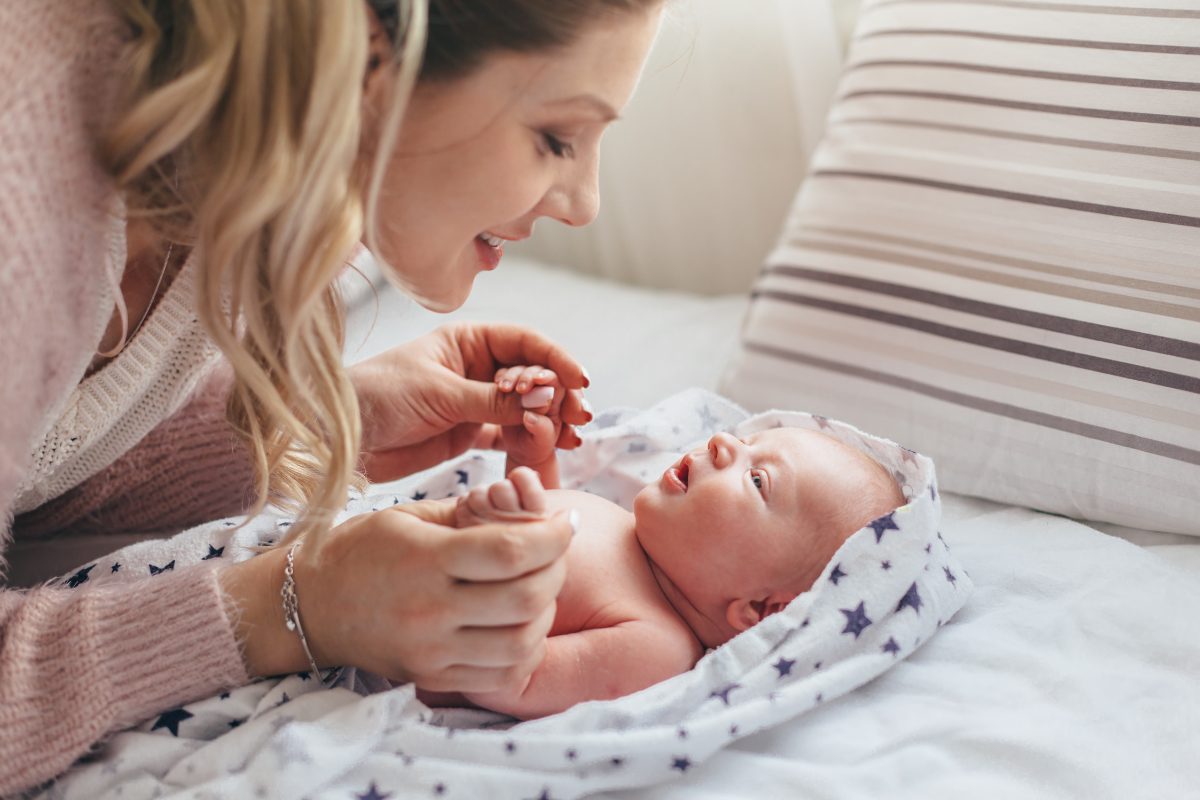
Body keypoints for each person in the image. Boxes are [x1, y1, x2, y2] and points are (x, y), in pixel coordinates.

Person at [0, 0, 665, 793]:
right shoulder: (23, 191)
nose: (583, 201)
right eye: (557, 138)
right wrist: (295, 609)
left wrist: (320, 422)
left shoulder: (235, 167)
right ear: (372, 61)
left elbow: (45, 455)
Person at [415, 370, 906, 720]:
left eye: (757, 479)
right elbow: (546, 518)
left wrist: (498, 579)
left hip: (391, 625)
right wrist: (530, 462)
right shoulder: (627, 529)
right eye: (748, 444)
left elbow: (517, 681)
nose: (723, 444)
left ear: (759, 608)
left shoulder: (657, 646)